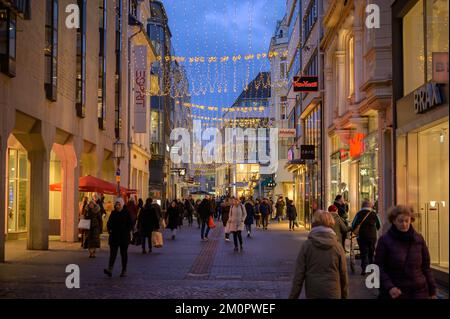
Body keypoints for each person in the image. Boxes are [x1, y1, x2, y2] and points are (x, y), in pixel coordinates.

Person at [375, 205, 437, 299]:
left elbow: (426, 267)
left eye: (406, 221)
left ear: (411, 220)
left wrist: (432, 291)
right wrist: (390, 287)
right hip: (397, 292)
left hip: (419, 291)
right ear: (394, 221)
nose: (404, 224)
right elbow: (379, 267)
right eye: (400, 221)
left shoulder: (418, 239)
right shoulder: (385, 240)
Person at [289, 210, 348, 299]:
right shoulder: (337, 247)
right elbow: (343, 275)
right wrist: (344, 295)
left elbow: (299, 275)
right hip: (333, 291)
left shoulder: (307, 246)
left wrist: (293, 296)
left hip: (313, 291)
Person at [104, 198, 132, 278]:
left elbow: (130, 225)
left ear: (122, 205)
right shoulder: (113, 213)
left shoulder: (126, 213)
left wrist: (126, 230)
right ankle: (110, 269)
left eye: (119, 204)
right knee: (112, 254)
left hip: (124, 237)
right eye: (116, 204)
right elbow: (109, 223)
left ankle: (124, 270)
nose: (117, 206)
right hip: (114, 236)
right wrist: (110, 230)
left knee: (123, 254)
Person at [351, 199, 381, 275]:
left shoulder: (358, 214)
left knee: (364, 252)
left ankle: (364, 269)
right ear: (370, 205)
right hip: (372, 236)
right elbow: (379, 225)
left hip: (361, 236)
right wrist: (375, 229)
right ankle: (371, 268)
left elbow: (353, 224)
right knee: (371, 252)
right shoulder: (374, 214)